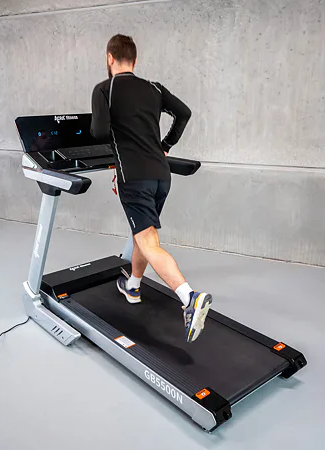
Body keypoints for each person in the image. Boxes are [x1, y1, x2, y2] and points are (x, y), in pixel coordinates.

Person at [90, 34, 212, 343]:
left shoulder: (104, 89)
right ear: (134, 60)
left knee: (148, 242)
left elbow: (99, 132)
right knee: (143, 235)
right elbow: (184, 113)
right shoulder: (154, 88)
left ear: (109, 57)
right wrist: (165, 144)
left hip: (135, 177)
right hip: (161, 174)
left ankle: (189, 298)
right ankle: (132, 286)